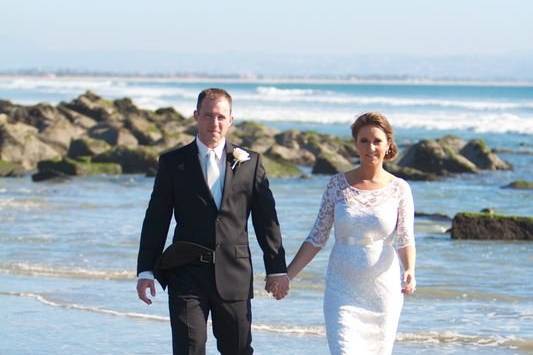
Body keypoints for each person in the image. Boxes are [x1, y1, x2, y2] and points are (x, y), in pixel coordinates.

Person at [136, 88, 289, 355]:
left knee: (238, 350)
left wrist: (276, 268)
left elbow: (267, 220)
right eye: (208, 116)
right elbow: (156, 218)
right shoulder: (173, 162)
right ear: (196, 116)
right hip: (185, 272)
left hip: (234, 272)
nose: (214, 123)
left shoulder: (250, 163)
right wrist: (146, 270)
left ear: (231, 120)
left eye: (221, 117)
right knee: (188, 349)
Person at [287, 112, 416, 355]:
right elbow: (317, 237)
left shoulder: (400, 188)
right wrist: (288, 275)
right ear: (355, 144)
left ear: (388, 143)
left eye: (377, 141)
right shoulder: (337, 185)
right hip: (342, 290)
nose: (371, 147)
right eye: (364, 141)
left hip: (382, 293)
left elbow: (405, 237)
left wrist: (409, 270)